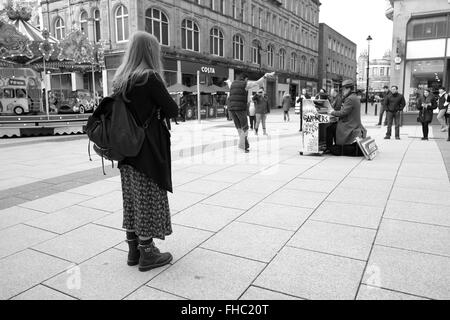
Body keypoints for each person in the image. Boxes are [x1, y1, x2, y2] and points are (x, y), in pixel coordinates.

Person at [112, 31, 178, 272]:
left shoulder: (120, 79)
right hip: (147, 151)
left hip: (125, 151)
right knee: (147, 200)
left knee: (131, 199)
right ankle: (147, 253)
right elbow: (172, 110)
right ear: (150, 52)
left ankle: (133, 250)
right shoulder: (149, 77)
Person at [227, 72, 274, 152]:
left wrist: (228, 81)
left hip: (232, 109)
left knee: (239, 127)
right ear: (245, 79)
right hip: (240, 109)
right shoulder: (245, 84)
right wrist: (265, 76)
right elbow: (258, 82)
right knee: (245, 127)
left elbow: (229, 84)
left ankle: (245, 144)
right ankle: (242, 147)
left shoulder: (233, 84)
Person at [327, 79, 367, 156]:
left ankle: (330, 148)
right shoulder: (354, 97)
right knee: (334, 126)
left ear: (348, 89)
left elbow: (343, 113)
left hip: (349, 124)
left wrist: (332, 112)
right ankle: (337, 146)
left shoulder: (350, 99)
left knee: (330, 128)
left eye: (344, 89)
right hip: (353, 122)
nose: (343, 91)